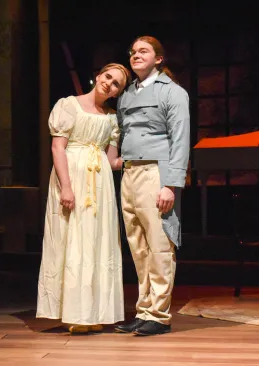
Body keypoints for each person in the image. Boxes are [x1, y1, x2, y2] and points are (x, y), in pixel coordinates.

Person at [36, 63, 131, 333]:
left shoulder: (112, 118)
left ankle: (95, 311)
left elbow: (112, 161)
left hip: (100, 184)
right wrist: (66, 187)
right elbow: (58, 148)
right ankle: (75, 314)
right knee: (73, 239)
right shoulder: (69, 105)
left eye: (116, 84)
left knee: (97, 242)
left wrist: (143, 158)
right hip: (73, 176)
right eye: (108, 77)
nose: (109, 84)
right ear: (98, 76)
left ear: (117, 93)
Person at [115, 36, 190, 336]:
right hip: (130, 174)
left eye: (143, 51)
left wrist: (171, 184)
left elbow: (181, 139)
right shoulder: (127, 94)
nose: (135, 55)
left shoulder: (173, 93)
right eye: (132, 51)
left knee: (159, 245)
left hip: (157, 173)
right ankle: (144, 310)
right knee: (138, 246)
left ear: (159, 59)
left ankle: (159, 315)